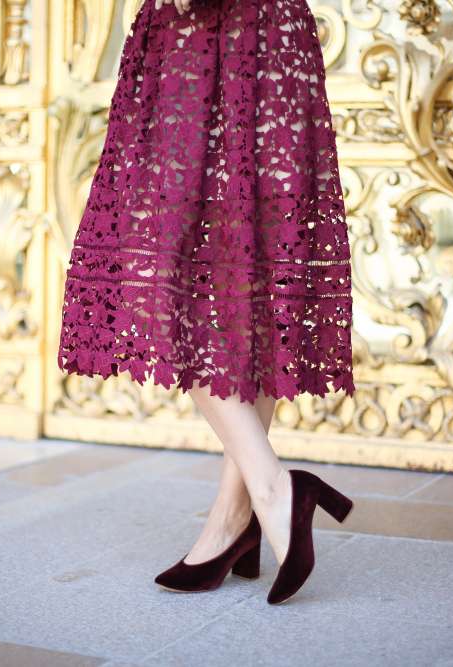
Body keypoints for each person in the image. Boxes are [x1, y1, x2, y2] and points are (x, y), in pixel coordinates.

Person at [57, 0, 356, 604]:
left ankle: (269, 493)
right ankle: (237, 517)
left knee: (232, 270)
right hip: (216, 37)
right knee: (219, 271)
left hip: (227, 37)